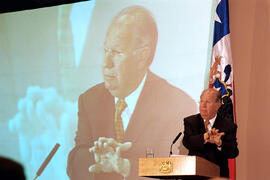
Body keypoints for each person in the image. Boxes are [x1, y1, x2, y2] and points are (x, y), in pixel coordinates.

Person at [67, 5, 197, 180]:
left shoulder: (178, 105)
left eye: (116, 52)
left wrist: (127, 167)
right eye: (105, 51)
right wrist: (97, 158)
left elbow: (180, 168)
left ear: (142, 55)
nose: (106, 63)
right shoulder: (89, 100)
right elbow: (76, 161)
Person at [182, 88, 239, 178]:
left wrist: (220, 144)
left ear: (218, 105)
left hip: (217, 176)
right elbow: (187, 142)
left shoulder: (228, 125)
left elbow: (234, 152)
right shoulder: (191, 121)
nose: (203, 106)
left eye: (208, 102)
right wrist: (204, 137)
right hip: (195, 176)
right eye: (201, 101)